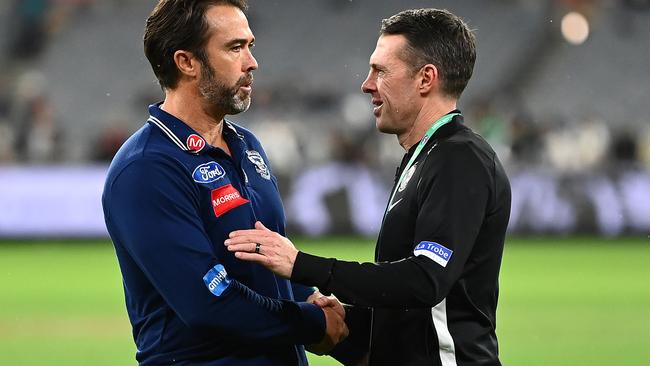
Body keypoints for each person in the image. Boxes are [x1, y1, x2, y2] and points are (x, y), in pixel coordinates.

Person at [225, 8, 511, 366]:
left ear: (425, 79)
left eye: (381, 71)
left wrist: (303, 265)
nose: (367, 84)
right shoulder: (423, 158)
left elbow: (425, 281)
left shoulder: (460, 158)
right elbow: (409, 311)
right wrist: (339, 320)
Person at [101, 1, 348, 365]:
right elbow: (207, 304)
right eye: (235, 48)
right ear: (187, 62)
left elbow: (266, 260)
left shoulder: (247, 146)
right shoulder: (146, 169)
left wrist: (308, 296)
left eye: (250, 46)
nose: (252, 62)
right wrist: (313, 322)